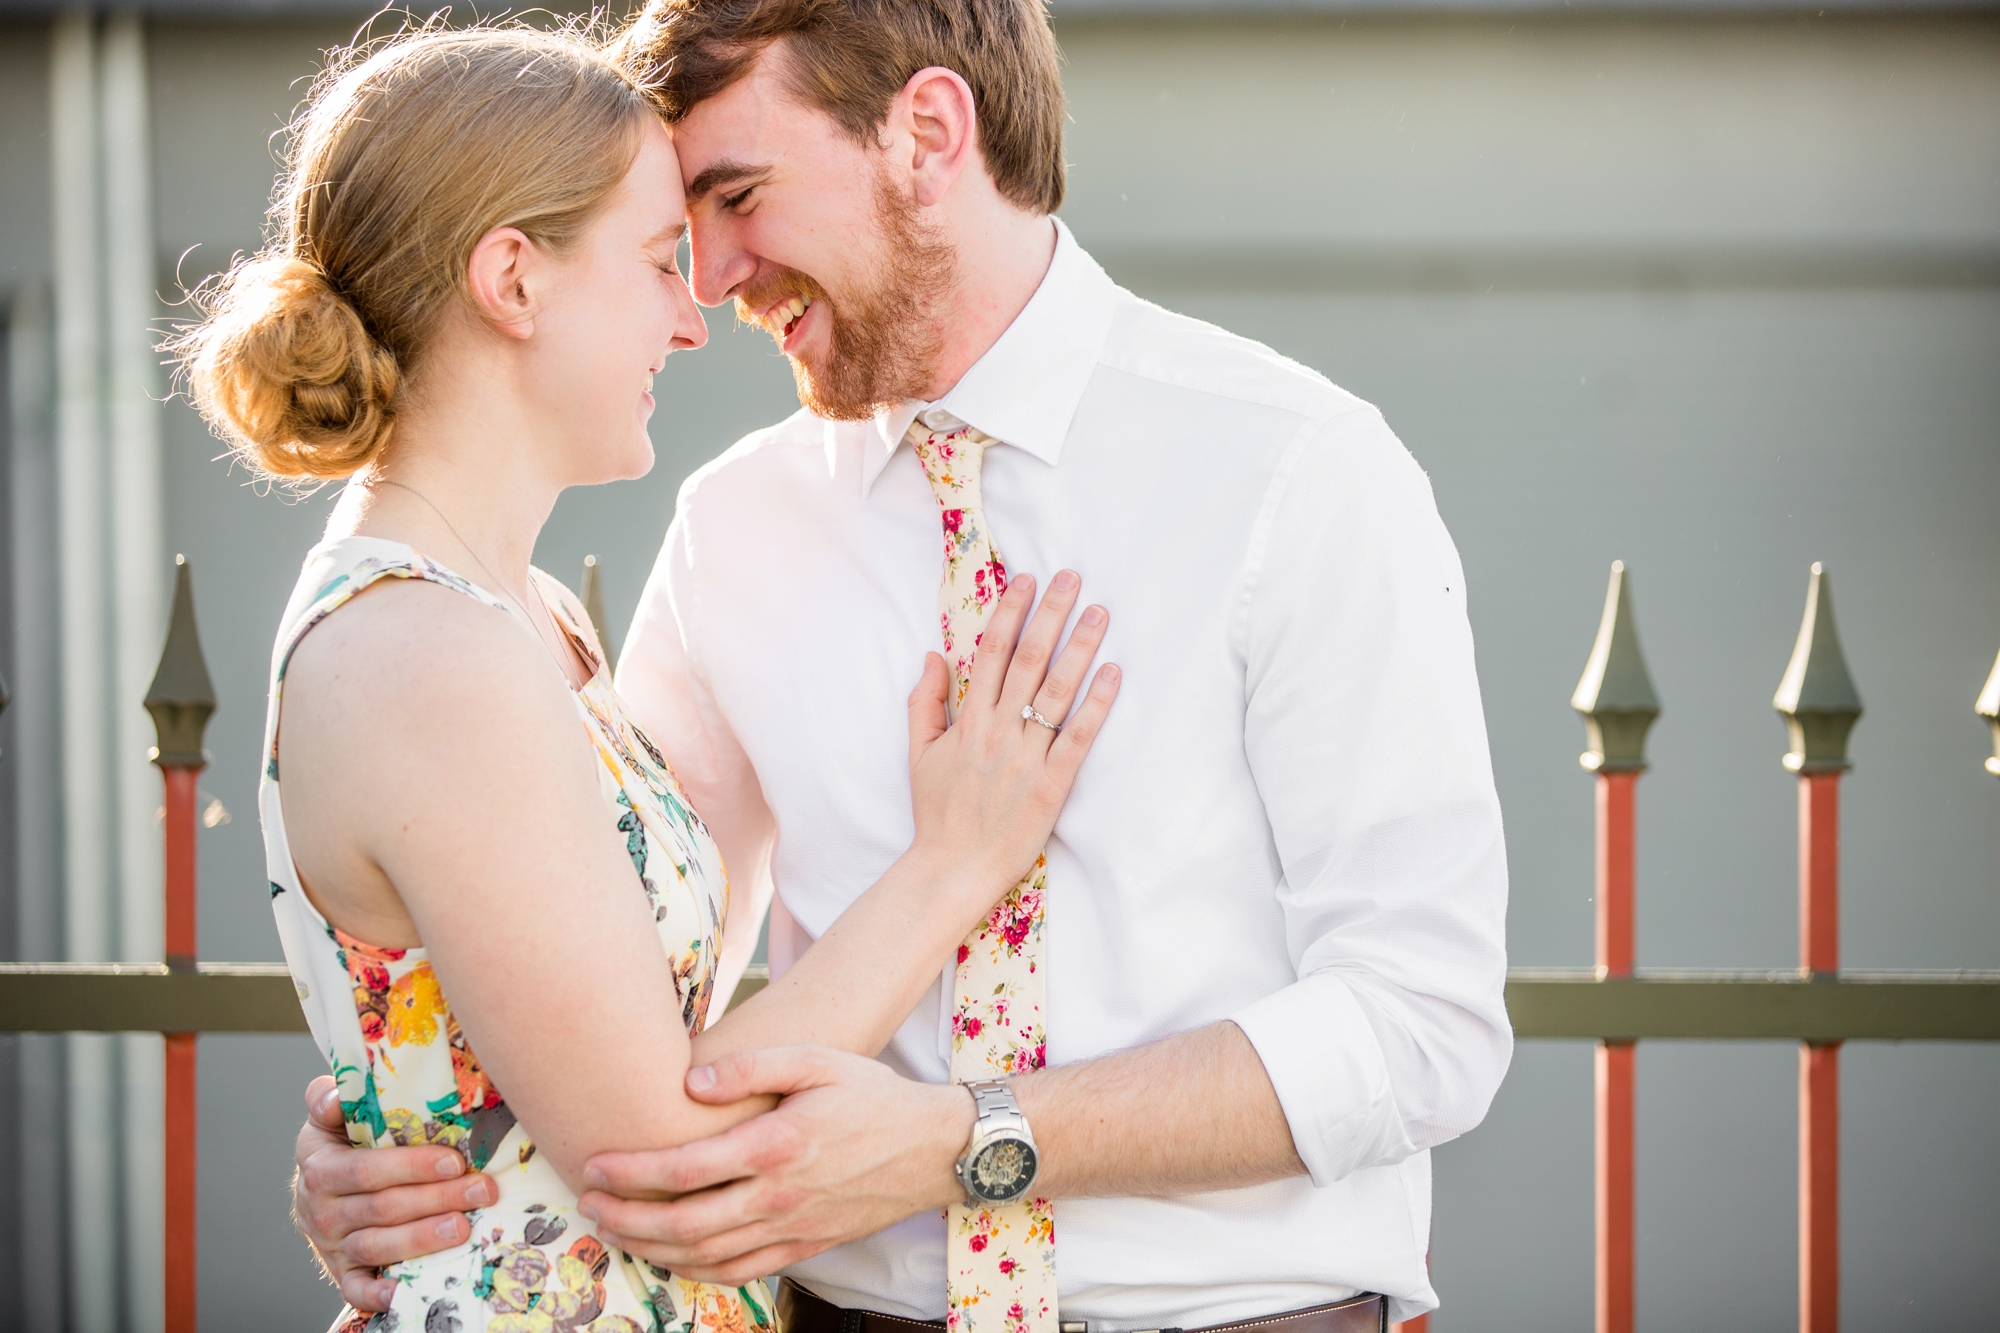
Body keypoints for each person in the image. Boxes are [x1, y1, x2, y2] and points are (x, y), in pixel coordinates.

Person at [291, 0, 1513, 1327]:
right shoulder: (734, 527)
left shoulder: (1295, 474)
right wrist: (422, 1135)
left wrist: (964, 1136)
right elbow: (612, 982)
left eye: (738, 193)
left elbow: (1423, 1026)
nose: (707, 277)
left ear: (928, 131)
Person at [176, 21, 1121, 1332]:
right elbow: (662, 1142)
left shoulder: (525, 614)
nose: (694, 319)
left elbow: (564, 1045)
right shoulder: (422, 651)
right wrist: (956, 860)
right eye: (658, 258)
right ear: (514, 277)